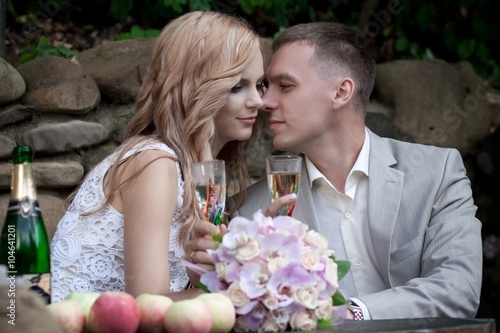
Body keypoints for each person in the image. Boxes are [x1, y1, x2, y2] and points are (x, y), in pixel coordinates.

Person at [192, 21, 483, 319]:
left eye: (285, 85)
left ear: (341, 92)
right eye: (268, 86)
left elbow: (458, 291)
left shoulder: (436, 173)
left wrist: (350, 314)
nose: (264, 101)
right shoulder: (249, 212)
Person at [50, 10, 266, 302]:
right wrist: (262, 291)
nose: (258, 101)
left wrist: (205, 279)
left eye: (259, 84)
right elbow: (150, 306)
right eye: (238, 86)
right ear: (195, 89)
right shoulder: (154, 163)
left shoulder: (198, 169)